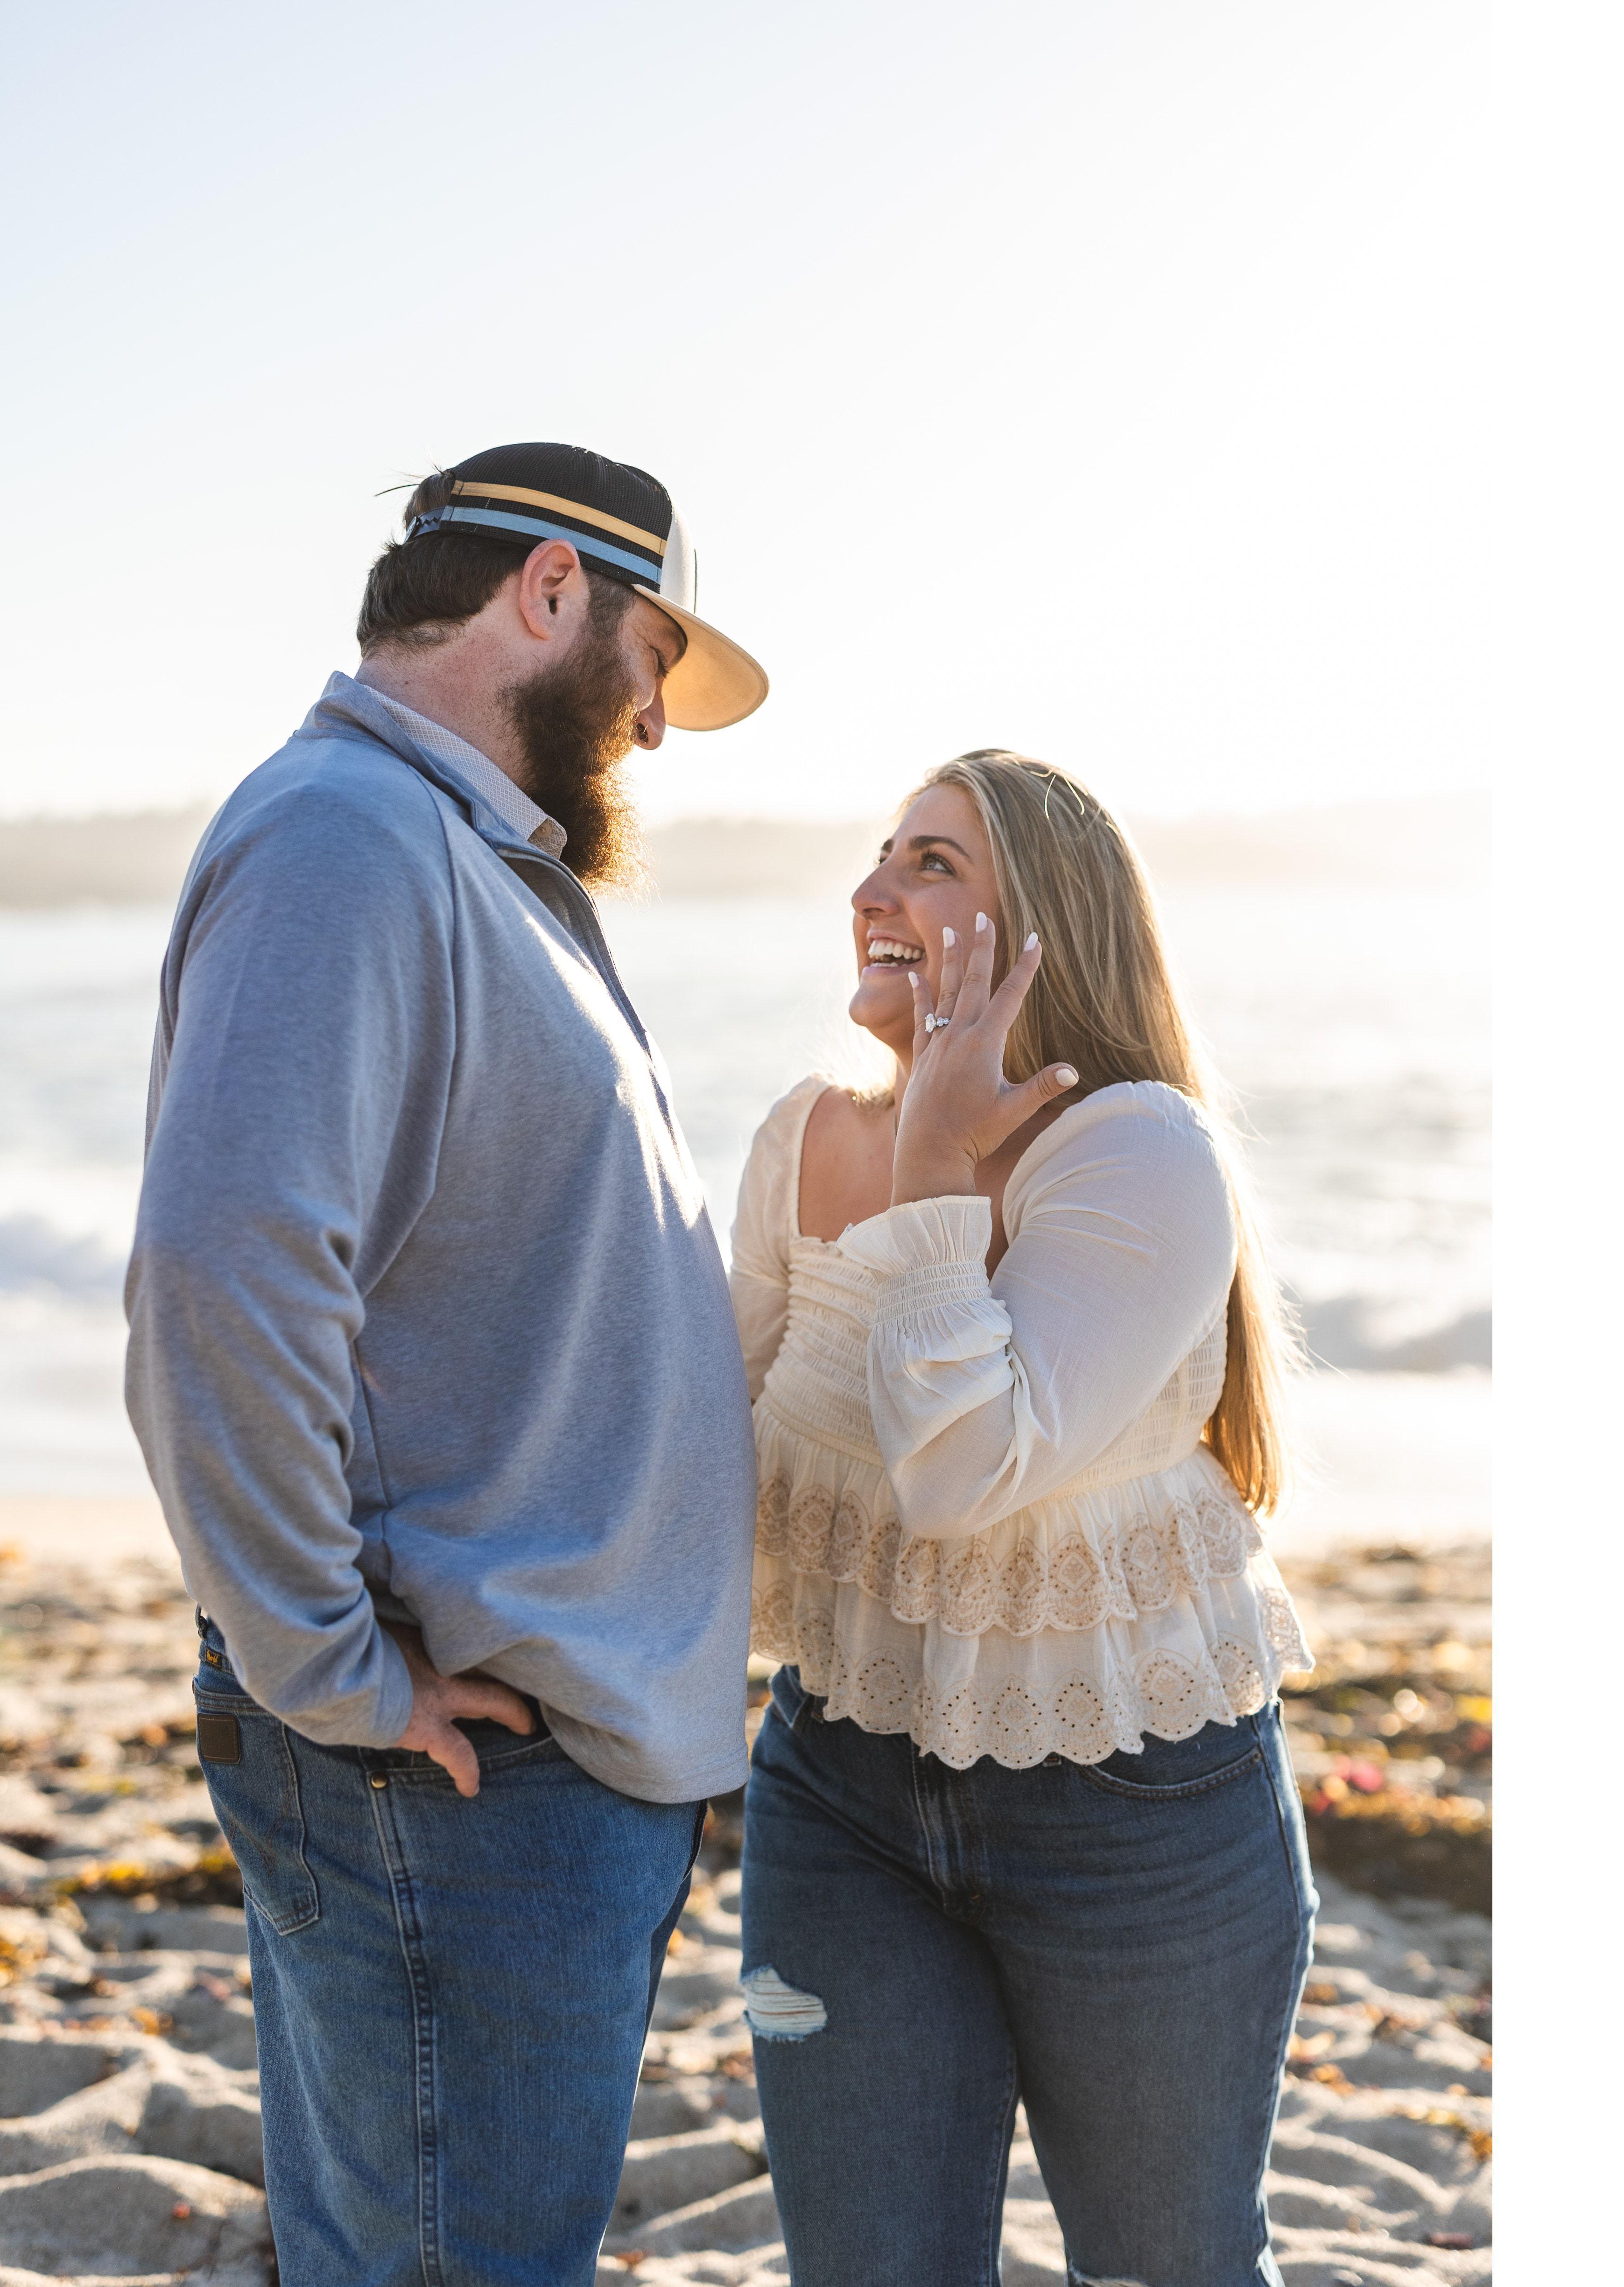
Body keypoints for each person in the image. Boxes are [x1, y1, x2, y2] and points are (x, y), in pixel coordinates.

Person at [125, 442, 771, 2285]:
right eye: (653, 654)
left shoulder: (460, 853)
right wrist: (326, 1666)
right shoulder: (351, 835)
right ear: (549, 592)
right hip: (461, 1778)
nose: (653, 720)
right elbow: (216, 1268)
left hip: (534, 1766)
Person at [729, 750, 1319, 2287]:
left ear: (1042, 930)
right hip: (837, 1793)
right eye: (878, 855)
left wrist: (934, 1156)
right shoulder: (800, 1137)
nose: (873, 890)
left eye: (931, 862)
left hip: (1138, 1815)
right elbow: (695, 1451)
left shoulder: (1140, 1152)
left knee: (1167, 2264)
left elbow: (960, 1470)